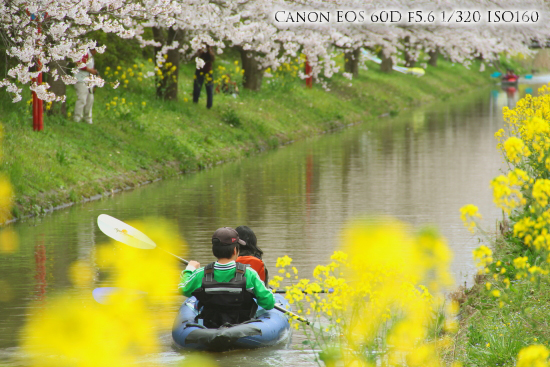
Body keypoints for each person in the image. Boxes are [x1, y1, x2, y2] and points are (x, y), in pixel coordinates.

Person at [178, 227, 275, 328]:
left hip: (208, 327)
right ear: (235, 250)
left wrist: (190, 269)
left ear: (213, 251)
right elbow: (269, 303)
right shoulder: (250, 274)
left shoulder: (201, 273)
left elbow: (183, 289)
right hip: (243, 328)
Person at [74, 48, 98, 124]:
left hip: (88, 80)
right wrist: (90, 70)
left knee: (90, 99)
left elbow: (91, 68)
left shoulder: (91, 57)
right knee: (82, 99)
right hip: (81, 80)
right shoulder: (85, 53)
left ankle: (88, 118)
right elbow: (79, 64)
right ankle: (77, 117)